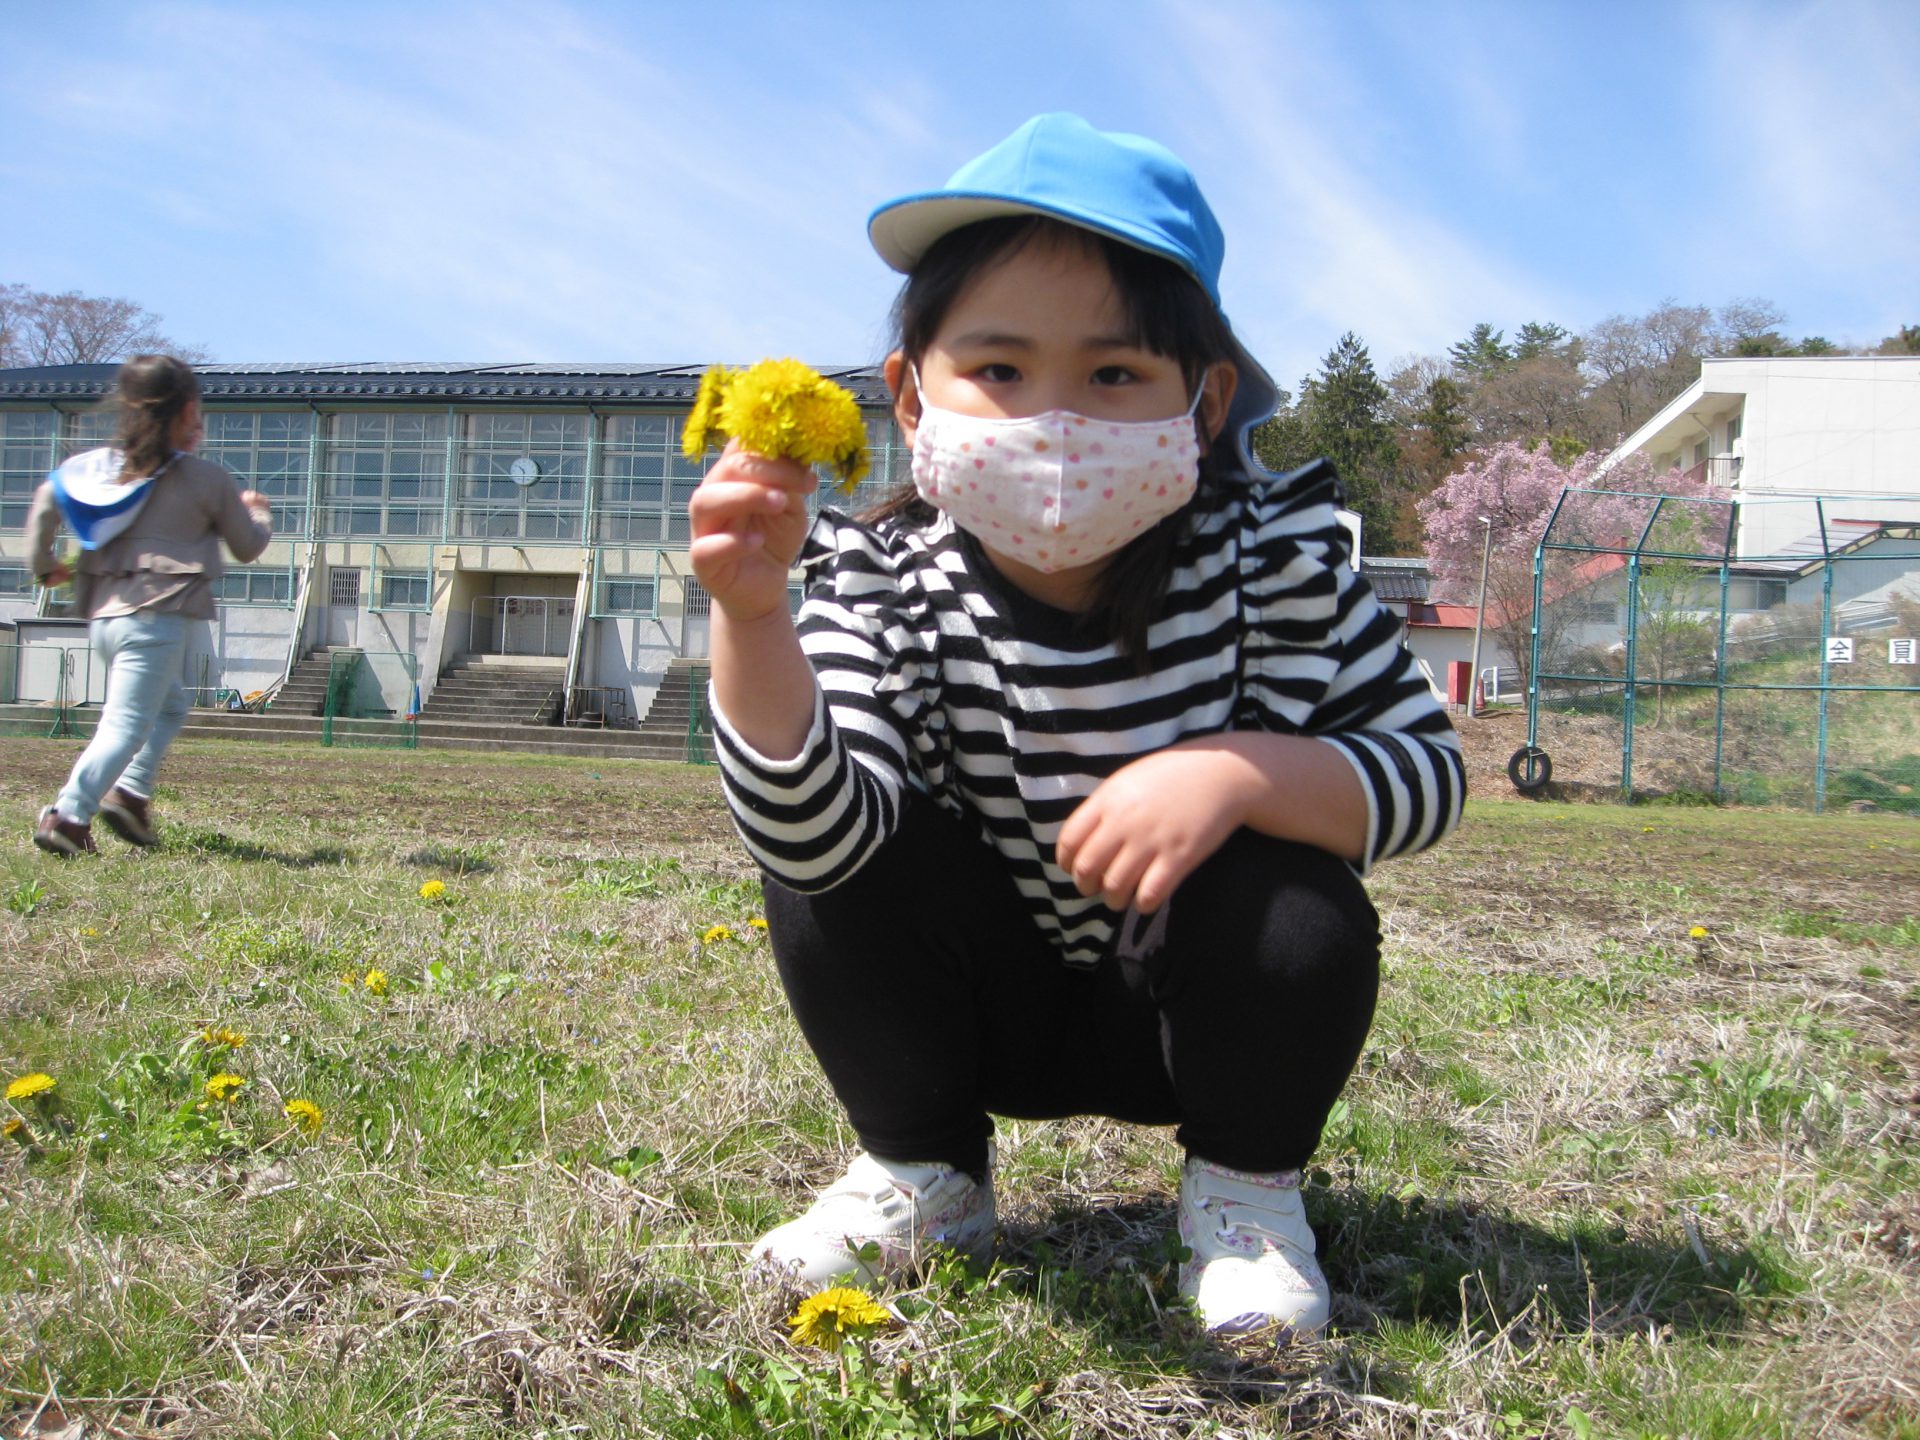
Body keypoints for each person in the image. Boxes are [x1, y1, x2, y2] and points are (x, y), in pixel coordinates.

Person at [690, 114, 1464, 1337]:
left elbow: (1426, 772)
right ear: (910, 396)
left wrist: (1239, 773)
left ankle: (1246, 1196)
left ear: (1203, 403)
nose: (1051, 423)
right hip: (969, 1012)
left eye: (1113, 376)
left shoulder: (1278, 566)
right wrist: (751, 619)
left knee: (1296, 898)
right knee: (840, 872)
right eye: (998, 370)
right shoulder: (879, 578)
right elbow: (810, 837)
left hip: (1189, 1016)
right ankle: (925, 1175)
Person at [28, 354, 273, 855]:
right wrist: (259, 513)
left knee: (170, 704)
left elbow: (45, 504)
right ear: (186, 412)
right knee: (125, 725)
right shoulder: (204, 479)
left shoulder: (98, 469)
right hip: (155, 618)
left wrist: (44, 565)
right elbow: (247, 546)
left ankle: (131, 794)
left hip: (104, 618)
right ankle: (68, 816)